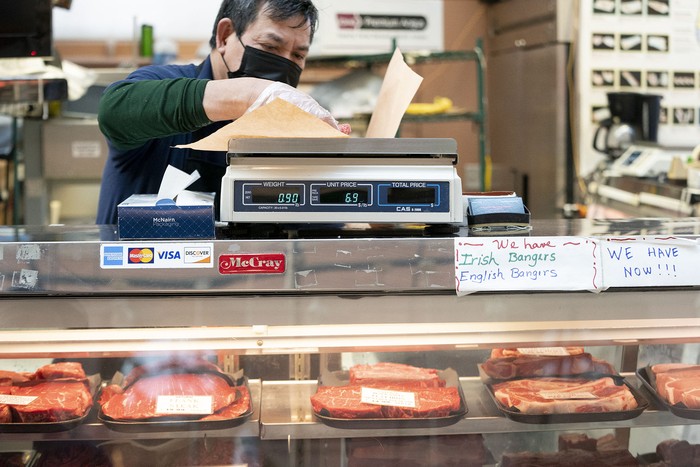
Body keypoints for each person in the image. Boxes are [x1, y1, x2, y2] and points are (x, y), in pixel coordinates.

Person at [96, 0, 341, 225]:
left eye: (298, 55)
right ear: (225, 36)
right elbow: (115, 109)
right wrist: (250, 94)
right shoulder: (163, 81)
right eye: (269, 46)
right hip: (141, 264)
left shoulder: (288, 124)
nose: (284, 65)